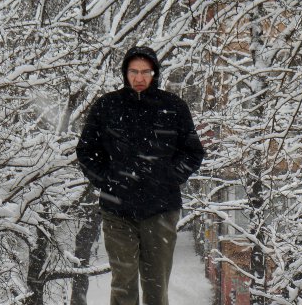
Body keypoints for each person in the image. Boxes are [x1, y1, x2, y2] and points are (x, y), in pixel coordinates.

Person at [76, 46, 205, 305]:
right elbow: (86, 150)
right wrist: (109, 180)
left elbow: (192, 152)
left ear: (155, 73)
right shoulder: (107, 106)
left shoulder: (173, 107)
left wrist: (170, 177)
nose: (139, 78)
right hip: (117, 211)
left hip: (161, 209)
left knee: (156, 288)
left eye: (145, 71)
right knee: (123, 285)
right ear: (125, 73)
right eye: (133, 71)